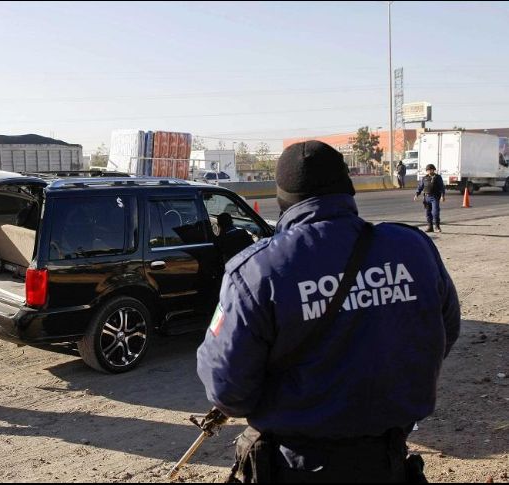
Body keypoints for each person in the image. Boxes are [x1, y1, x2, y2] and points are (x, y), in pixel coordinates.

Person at [197, 141, 460, 483]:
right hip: (387, 459)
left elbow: (227, 387)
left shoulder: (255, 270)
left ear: (284, 198)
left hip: (296, 464)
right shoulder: (413, 248)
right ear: (348, 191)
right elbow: (445, 333)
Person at [414, 163, 445, 233]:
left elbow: (442, 187)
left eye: (431, 170)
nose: (429, 171)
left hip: (434, 197)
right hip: (426, 197)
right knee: (428, 213)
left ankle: (437, 226)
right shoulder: (424, 178)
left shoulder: (438, 177)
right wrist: (417, 194)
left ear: (433, 170)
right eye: (428, 170)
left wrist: (443, 196)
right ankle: (430, 227)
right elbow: (420, 187)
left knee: (435, 212)